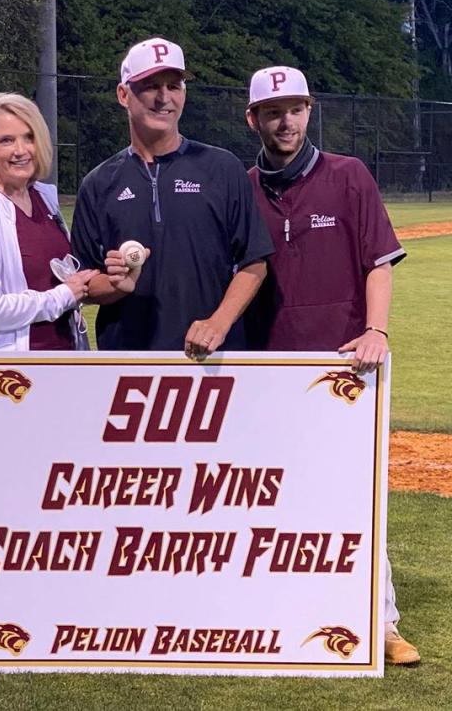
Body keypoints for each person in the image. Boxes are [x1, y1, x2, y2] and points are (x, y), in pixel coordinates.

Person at [244, 66, 418, 665]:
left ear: (309, 110)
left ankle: (383, 622)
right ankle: (287, 613)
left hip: (347, 365)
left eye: (294, 108)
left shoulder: (348, 176)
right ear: (254, 120)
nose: (285, 121)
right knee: (271, 497)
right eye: (272, 111)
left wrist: (376, 329)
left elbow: (379, 261)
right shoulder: (244, 187)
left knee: (356, 496)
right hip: (269, 371)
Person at [71, 37, 273, 356]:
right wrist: (114, 283)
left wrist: (218, 324)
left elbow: (255, 262)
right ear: (124, 94)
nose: (164, 97)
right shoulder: (99, 184)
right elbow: (82, 284)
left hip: (216, 358)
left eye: (174, 86)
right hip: (130, 362)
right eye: (150, 86)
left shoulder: (222, 168)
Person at [0, 93, 97, 352]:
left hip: (63, 360)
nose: (20, 150)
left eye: (28, 137)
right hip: (9, 375)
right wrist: (63, 296)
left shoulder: (46, 197)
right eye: (6, 140)